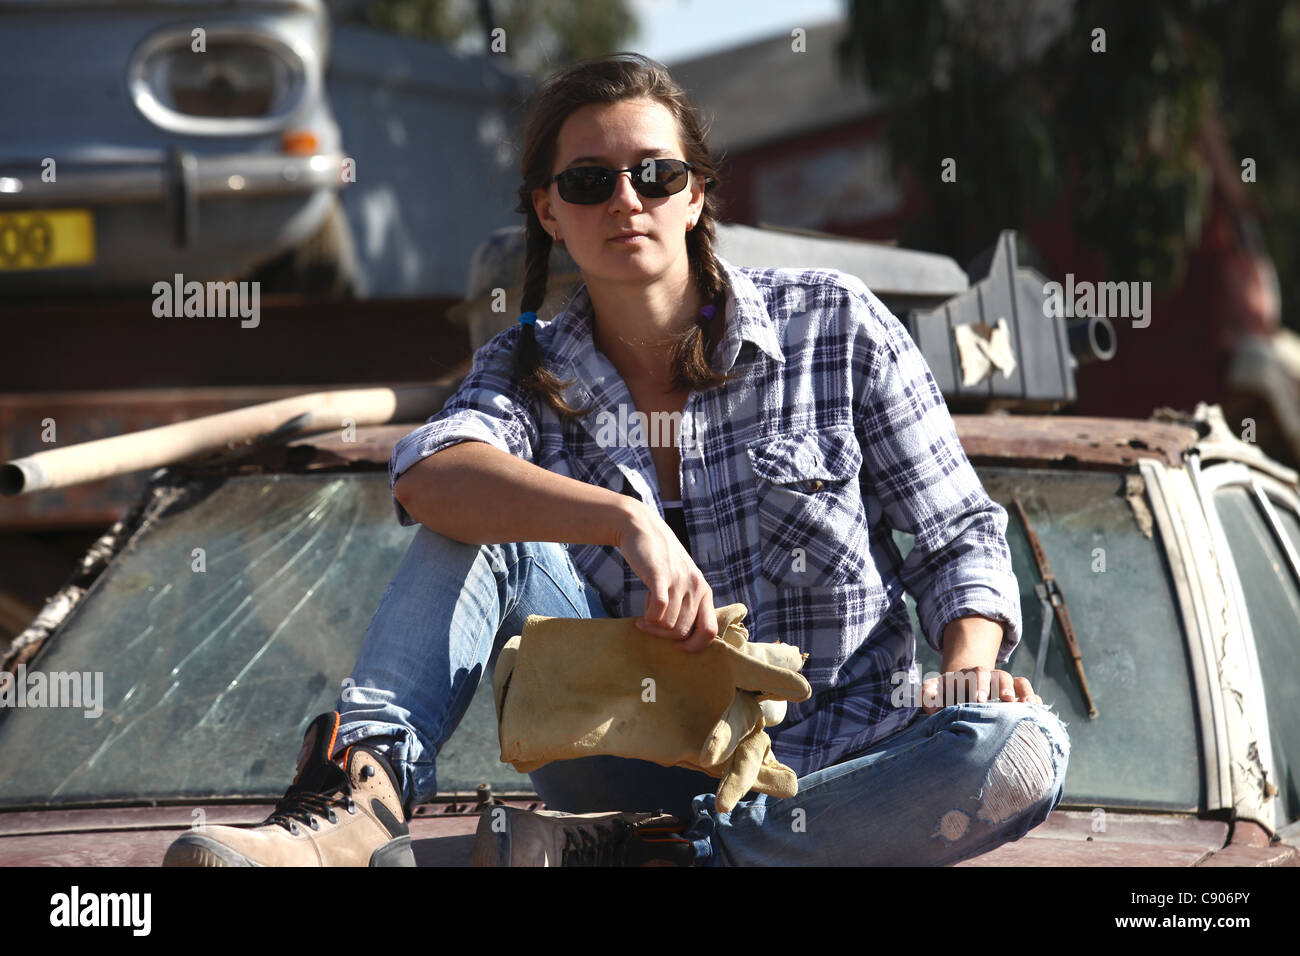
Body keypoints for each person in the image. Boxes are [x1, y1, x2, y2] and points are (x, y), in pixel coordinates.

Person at [164, 52, 1068, 868]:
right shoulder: (527, 369)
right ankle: (360, 804)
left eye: (655, 174)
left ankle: (677, 858)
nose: (626, 201)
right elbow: (428, 475)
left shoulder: (835, 325)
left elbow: (960, 536)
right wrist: (623, 520)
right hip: (627, 764)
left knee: (1020, 745)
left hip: (842, 774)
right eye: (591, 181)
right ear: (550, 213)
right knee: (475, 519)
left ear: (697, 193)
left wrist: (967, 662)